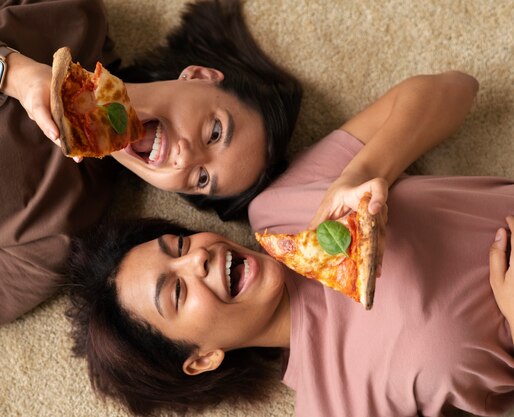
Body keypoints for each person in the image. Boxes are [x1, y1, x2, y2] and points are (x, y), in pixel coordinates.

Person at [65, 80, 514, 416]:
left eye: (179, 244)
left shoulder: (278, 209)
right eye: (177, 292)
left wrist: (360, 173)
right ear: (202, 359)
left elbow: (456, 90)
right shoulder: (335, 407)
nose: (196, 256)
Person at [0, 0, 302, 347]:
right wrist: (8, 71)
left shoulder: (61, 235)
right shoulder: (70, 14)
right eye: (215, 132)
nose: (186, 156)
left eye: (201, 180)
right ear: (199, 77)